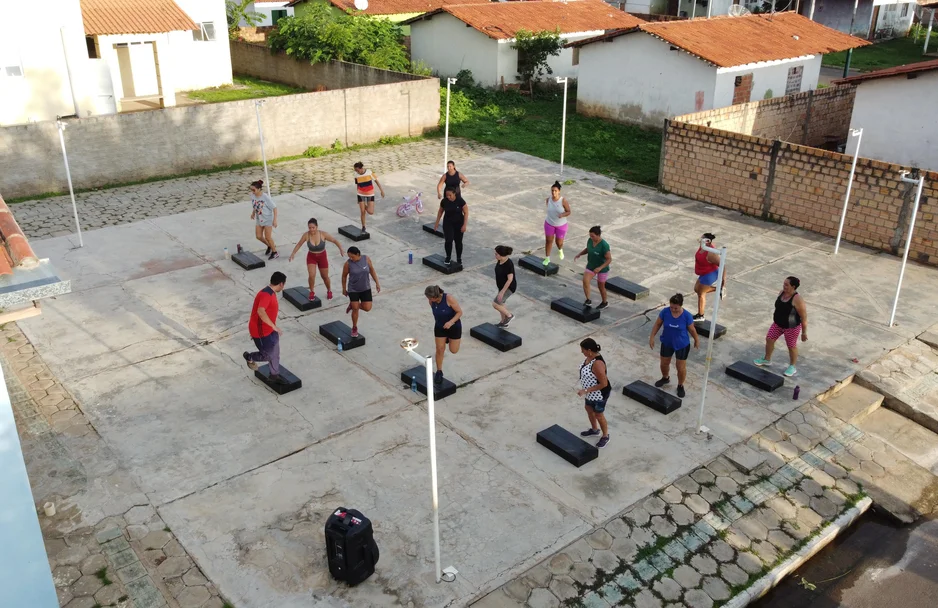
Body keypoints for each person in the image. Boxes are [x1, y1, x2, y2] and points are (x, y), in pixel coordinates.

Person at [754, 276, 808, 377]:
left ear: (793, 286)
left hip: (791, 327)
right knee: (769, 339)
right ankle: (767, 359)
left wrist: (804, 333)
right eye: (784, 284)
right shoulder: (781, 293)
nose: (784, 286)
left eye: (787, 285)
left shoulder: (798, 299)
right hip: (778, 324)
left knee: (791, 346)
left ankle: (792, 366)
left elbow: (804, 317)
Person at [648, 294, 700, 398]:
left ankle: (680, 385)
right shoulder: (665, 312)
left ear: (681, 306)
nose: (673, 309)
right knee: (664, 363)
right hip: (667, 342)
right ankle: (665, 378)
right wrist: (652, 337)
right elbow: (657, 324)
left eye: (675, 308)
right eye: (671, 307)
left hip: (681, 345)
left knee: (680, 367)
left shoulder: (687, 316)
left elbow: (692, 329)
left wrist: (696, 340)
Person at [243, 272, 287, 383]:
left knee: (275, 352)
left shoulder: (271, 293)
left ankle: (274, 375)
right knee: (267, 355)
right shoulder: (266, 295)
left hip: (270, 329)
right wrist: (273, 326)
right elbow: (260, 311)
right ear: (281, 284)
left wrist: (273, 327)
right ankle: (250, 357)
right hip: (261, 331)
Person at [288, 218, 345, 301]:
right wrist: (293, 253)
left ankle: (329, 290)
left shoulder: (323, 234)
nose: (311, 229)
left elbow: (334, 240)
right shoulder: (306, 235)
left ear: (317, 227)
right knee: (311, 275)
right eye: (309, 228)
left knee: (325, 276)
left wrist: (340, 249)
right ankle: (312, 291)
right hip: (311, 257)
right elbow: (299, 244)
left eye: (313, 227)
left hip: (322, 257)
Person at [425, 285, 463, 389]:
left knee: (453, 350)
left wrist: (450, 322)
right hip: (440, 327)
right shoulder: (431, 302)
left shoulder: (449, 298)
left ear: (434, 297)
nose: (428, 300)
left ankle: (449, 339)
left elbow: (460, 312)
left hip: (453, 326)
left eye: (429, 298)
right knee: (439, 349)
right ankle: (439, 371)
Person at [578, 338, 611, 448]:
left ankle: (605, 436)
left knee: (599, 415)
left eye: (583, 350)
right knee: (588, 409)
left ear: (589, 350)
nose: (582, 352)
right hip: (590, 392)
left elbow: (604, 384)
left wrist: (585, 390)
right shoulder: (589, 357)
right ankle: (594, 430)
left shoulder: (597, 364)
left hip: (599, 394)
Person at [341, 247, 380, 339]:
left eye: (352, 257)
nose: (351, 259)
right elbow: (344, 276)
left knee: (367, 308)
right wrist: (344, 289)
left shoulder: (366, 259)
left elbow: (372, 270)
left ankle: (353, 305)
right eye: (349, 257)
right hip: (353, 289)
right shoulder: (348, 264)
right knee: (355, 309)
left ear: (358, 254)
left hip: (365, 288)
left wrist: (377, 283)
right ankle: (354, 327)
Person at [574, 226, 612, 309]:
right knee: (585, 280)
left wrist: (600, 268)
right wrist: (580, 254)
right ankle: (588, 300)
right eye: (590, 236)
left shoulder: (604, 245)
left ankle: (604, 302)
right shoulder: (590, 240)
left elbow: (609, 259)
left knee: (601, 286)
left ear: (598, 235)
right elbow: (588, 249)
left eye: (593, 236)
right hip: (591, 266)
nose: (591, 237)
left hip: (602, 269)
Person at [693, 233, 726, 321]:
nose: (700, 239)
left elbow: (723, 265)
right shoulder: (703, 246)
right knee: (696, 289)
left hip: (710, 275)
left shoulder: (711, 253)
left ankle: (701, 315)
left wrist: (723, 281)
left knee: (701, 293)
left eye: (702, 238)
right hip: (703, 273)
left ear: (707, 241)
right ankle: (717, 288)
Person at [432, 187, 469, 266]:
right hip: (448, 223)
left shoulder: (460, 201)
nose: (448, 197)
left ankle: (459, 258)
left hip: (459, 223)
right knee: (449, 240)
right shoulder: (444, 201)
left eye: (450, 195)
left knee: (458, 241)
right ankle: (448, 256)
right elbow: (440, 212)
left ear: (454, 194)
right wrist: (436, 223)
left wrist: (464, 225)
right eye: (447, 195)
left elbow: (466, 212)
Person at [543, 181, 571, 266]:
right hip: (549, 223)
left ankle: (560, 250)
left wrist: (562, 215)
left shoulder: (563, 201)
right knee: (548, 241)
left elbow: (569, 211)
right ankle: (547, 258)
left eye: (555, 190)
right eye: (552, 190)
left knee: (559, 242)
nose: (553, 192)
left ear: (559, 191)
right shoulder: (548, 200)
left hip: (561, 225)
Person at [250, 180, 279, 260]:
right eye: (251, 189)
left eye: (254, 190)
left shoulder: (265, 197)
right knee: (258, 236)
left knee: (268, 237)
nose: (252, 191)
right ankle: (269, 245)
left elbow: (274, 208)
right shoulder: (252, 196)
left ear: (259, 189)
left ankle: (274, 252)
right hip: (259, 218)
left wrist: (275, 220)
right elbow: (255, 205)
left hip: (267, 219)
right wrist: (253, 213)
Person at [353, 161, 385, 233]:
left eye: (357, 170)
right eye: (355, 170)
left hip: (370, 194)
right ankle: (363, 227)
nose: (356, 171)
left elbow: (376, 181)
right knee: (362, 211)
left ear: (361, 168)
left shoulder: (369, 172)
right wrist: (357, 196)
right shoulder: (356, 175)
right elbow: (357, 185)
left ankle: (364, 205)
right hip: (360, 194)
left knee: (370, 212)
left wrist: (381, 191)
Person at [493, 245, 517, 327]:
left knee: (495, 304)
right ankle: (503, 322)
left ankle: (509, 316)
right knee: (501, 304)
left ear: (501, 255)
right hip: (501, 287)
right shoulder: (500, 260)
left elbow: (510, 279)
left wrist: (502, 292)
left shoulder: (508, 264)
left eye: (496, 254)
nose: (495, 255)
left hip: (509, 288)